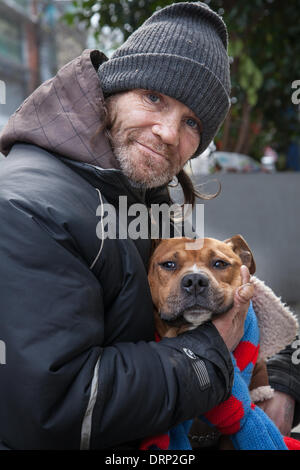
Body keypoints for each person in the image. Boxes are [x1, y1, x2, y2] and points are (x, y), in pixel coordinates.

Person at [0, 2, 298, 450]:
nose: (168, 133)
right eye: (154, 97)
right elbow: (55, 409)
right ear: (110, 90)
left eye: (192, 121)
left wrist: (281, 378)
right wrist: (210, 355)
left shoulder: (136, 191)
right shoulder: (29, 209)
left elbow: (222, 295)